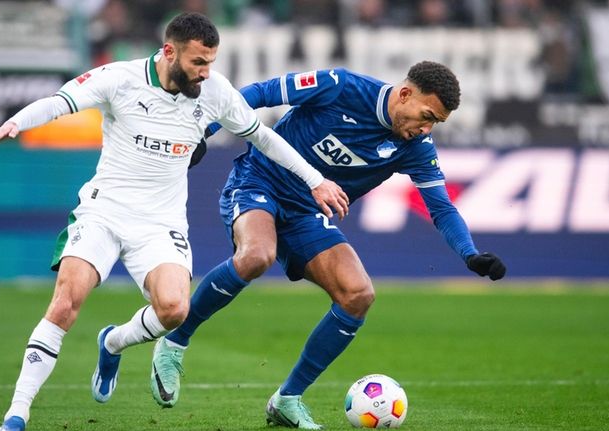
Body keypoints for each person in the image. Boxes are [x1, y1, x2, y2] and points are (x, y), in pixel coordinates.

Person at [0, 12, 348, 431]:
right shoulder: (120, 78)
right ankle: (16, 415)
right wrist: (16, 122)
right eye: (198, 62)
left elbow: (263, 137)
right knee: (65, 304)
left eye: (211, 62)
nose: (206, 72)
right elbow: (59, 102)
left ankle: (113, 342)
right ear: (169, 52)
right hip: (104, 211)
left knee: (174, 310)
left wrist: (316, 180)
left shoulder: (215, 92)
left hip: (160, 223)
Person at [150, 61, 507, 429]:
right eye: (427, 115)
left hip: (306, 211)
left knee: (358, 294)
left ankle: (287, 399)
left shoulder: (415, 146)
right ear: (405, 94)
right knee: (257, 255)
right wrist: (202, 131)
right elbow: (260, 93)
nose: (426, 128)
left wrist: (470, 254)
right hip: (259, 180)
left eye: (436, 123)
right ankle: (175, 341)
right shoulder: (340, 86)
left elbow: (441, 207)